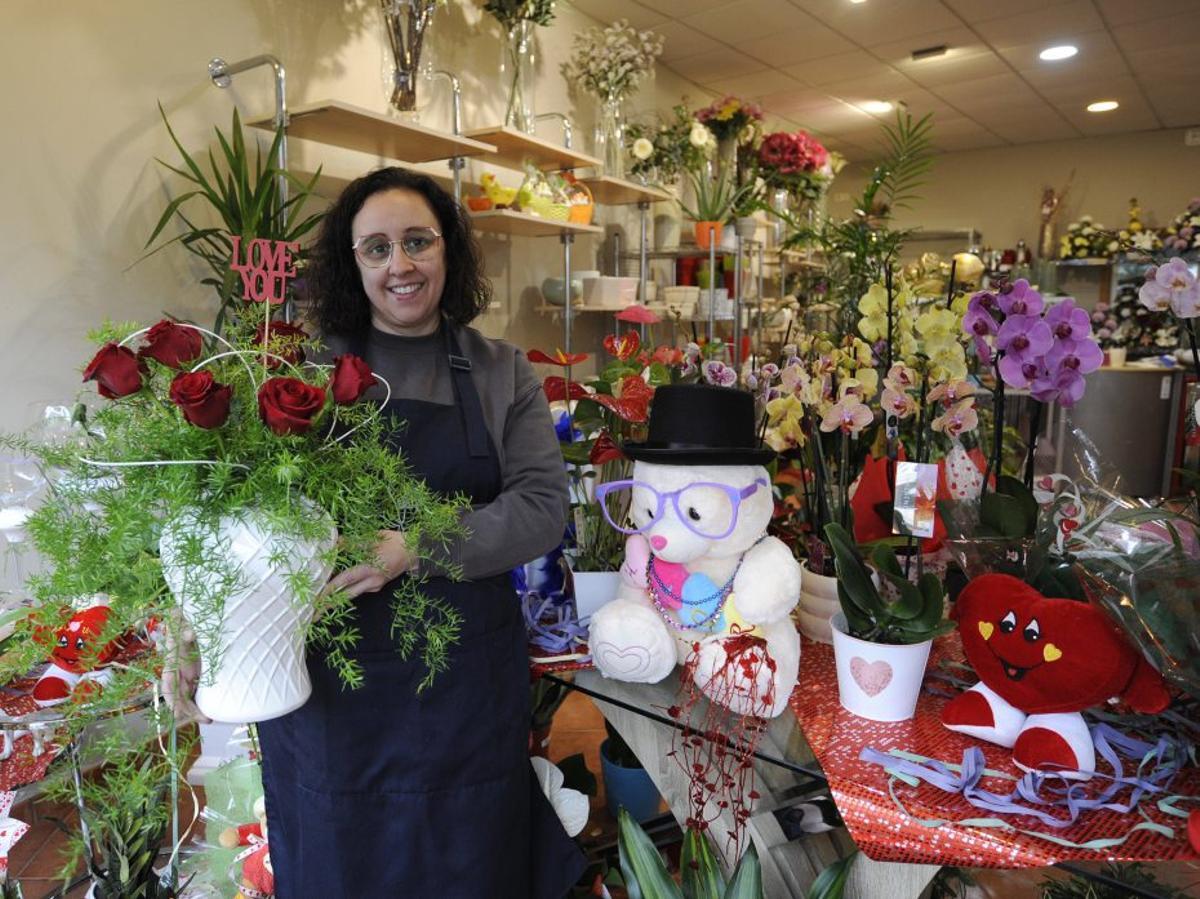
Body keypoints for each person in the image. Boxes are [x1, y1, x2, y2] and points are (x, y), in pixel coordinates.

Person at [221, 167, 582, 896]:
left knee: (471, 858)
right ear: (353, 264)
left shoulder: (501, 370)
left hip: (464, 683)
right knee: (336, 857)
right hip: (333, 683)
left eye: (418, 241)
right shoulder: (306, 374)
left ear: (448, 249)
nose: (401, 264)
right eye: (376, 248)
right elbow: (238, 518)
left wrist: (418, 546)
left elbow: (544, 505)